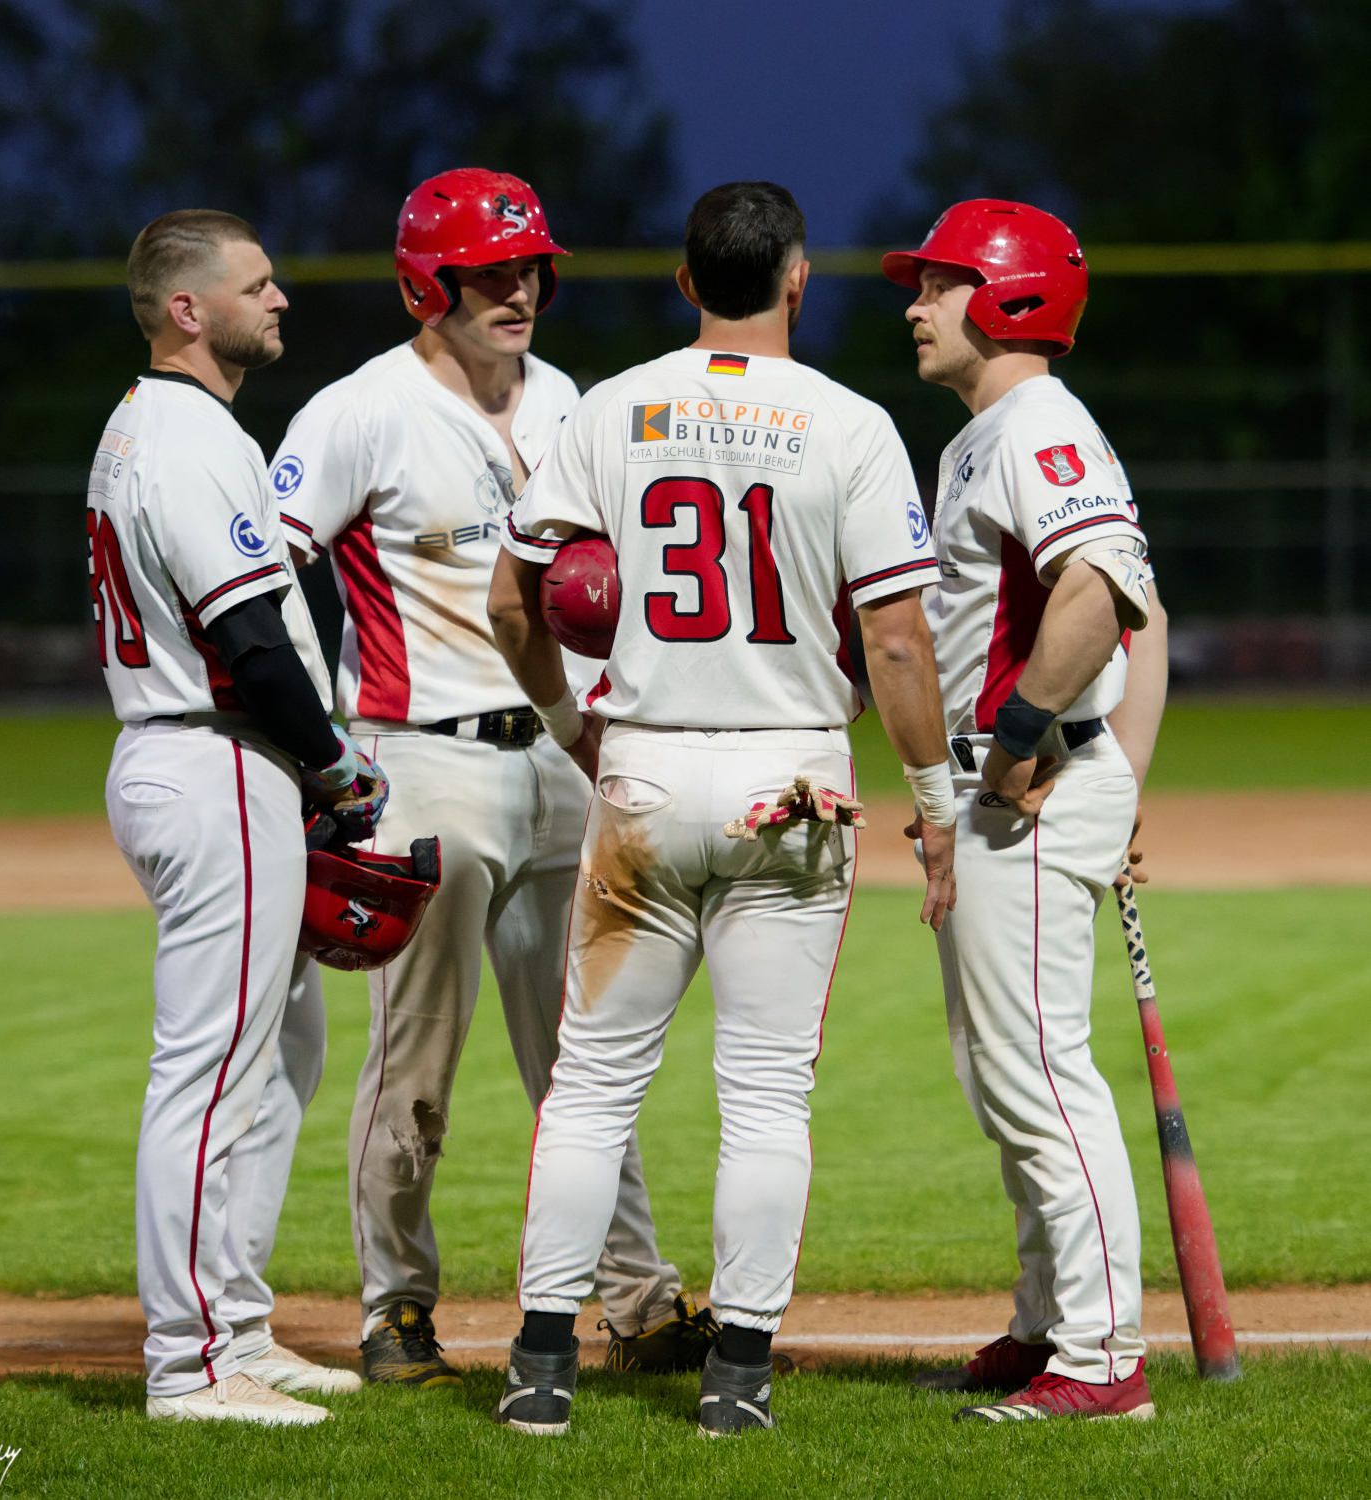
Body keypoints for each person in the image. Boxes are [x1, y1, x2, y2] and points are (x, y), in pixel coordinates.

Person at [487, 179, 957, 1438]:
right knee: (765, 1096)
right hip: (790, 781)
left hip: (643, 769)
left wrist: (574, 723)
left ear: (687, 282)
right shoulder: (851, 422)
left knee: (592, 1087)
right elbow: (896, 641)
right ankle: (737, 1379)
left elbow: (514, 603)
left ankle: (540, 1370)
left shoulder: (610, 407)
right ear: (799, 280)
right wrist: (934, 802)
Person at [271, 168, 701, 1388]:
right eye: (488, 274)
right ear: (427, 284)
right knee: (415, 1060)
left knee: (586, 1054)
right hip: (424, 764)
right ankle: (397, 1308)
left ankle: (636, 1300)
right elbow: (267, 567)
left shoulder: (569, 401)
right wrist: (319, 741)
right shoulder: (358, 412)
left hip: (564, 752)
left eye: (530, 270)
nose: (518, 291)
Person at [882, 198, 1169, 1423]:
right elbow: (1145, 610)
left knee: (1040, 1076)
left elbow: (1099, 594)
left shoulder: (1038, 423)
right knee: (1001, 1073)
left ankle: (1102, 1361)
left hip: (1030, 788)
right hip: (1013, 788)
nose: (916, 305)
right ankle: (1049, 1322)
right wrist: (1115, 778)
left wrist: (1015, 743)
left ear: (1008, 296)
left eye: (939, 283)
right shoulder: (990, 433)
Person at [91, 210, 380, 1425]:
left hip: (203, 758)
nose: (280, 299)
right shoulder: (187, 438)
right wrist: (335, 769)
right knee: (209, 1073)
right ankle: (190, 1362)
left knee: (281, 1053)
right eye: (255, 285)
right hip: (218, 760)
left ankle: (238, 1328)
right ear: (187, 309)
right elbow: (249, 641)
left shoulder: (152, 425)